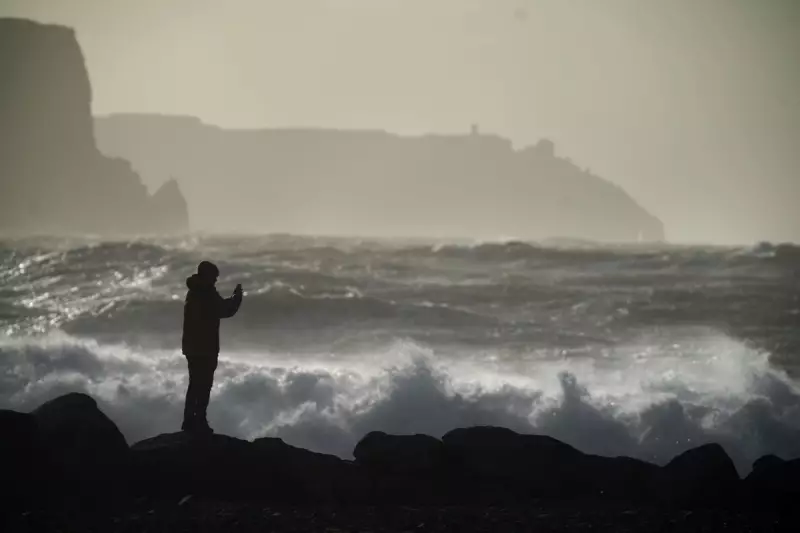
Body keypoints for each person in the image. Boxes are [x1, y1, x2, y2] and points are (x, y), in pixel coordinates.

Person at [181, 260, 242, 433]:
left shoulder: (195, 291)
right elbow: (224, 310)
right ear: (206, 276)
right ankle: (198, 421)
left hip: (193, 347)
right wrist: (237, 298)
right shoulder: (204, 293)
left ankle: (190, 420)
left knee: (195, 385)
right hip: (204, 348)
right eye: (214, 277)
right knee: (203, 385)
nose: (215, 281)